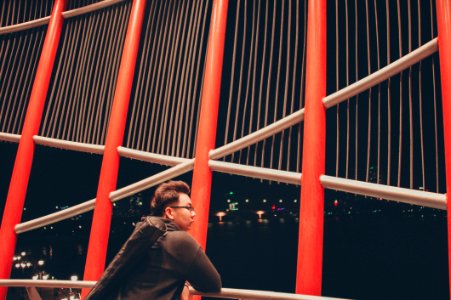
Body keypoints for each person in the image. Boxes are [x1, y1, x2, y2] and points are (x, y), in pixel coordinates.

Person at [85, 180, 221, 300]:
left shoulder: (144, 235)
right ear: (169, 212)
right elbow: (213, 284)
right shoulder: (181, 240)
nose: (194, 213)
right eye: (188, 207)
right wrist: (184, 281)